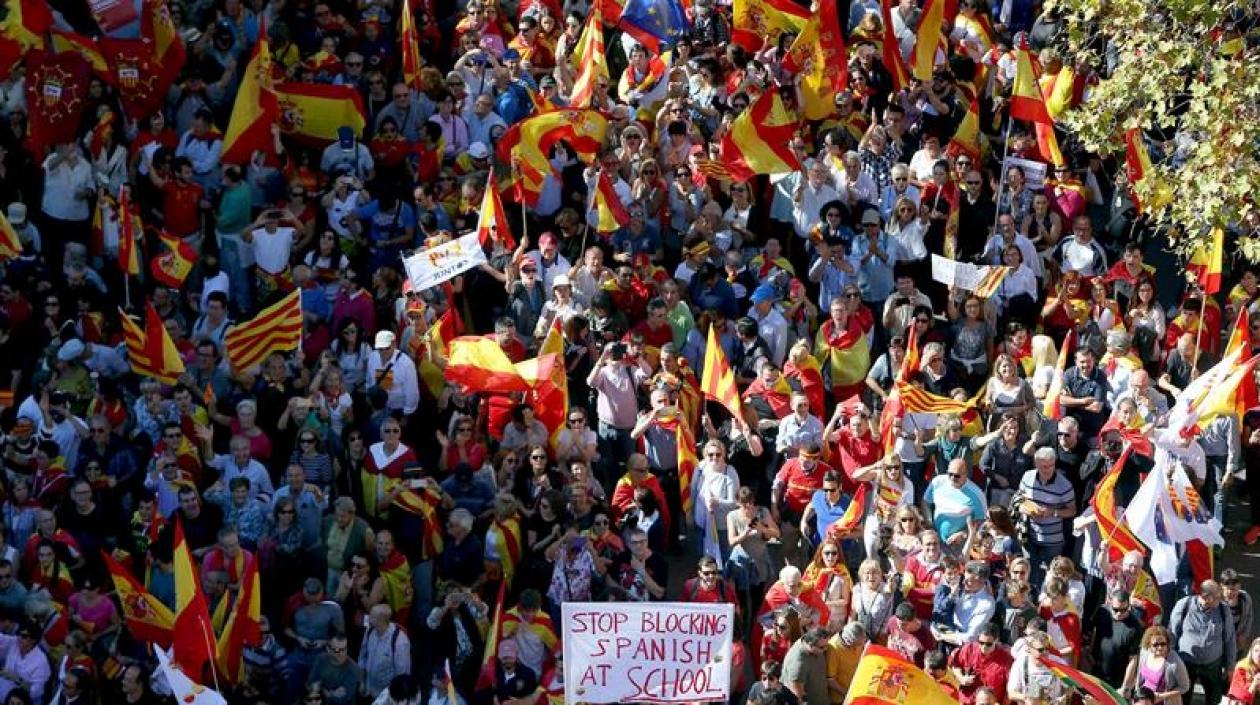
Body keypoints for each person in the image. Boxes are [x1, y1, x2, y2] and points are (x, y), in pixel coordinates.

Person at [1169, 580, 1236, 705]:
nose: (1221, 599)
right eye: (1217, 597)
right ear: (1205, 597)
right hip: (1186, 664)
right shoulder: (1184, 605)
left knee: (1214, 700)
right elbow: (1172, 634)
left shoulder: (1223, 609)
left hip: (1212, 666)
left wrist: (1230, 667)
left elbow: (1230, 639)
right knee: (1183, 699)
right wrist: (1170, 663)